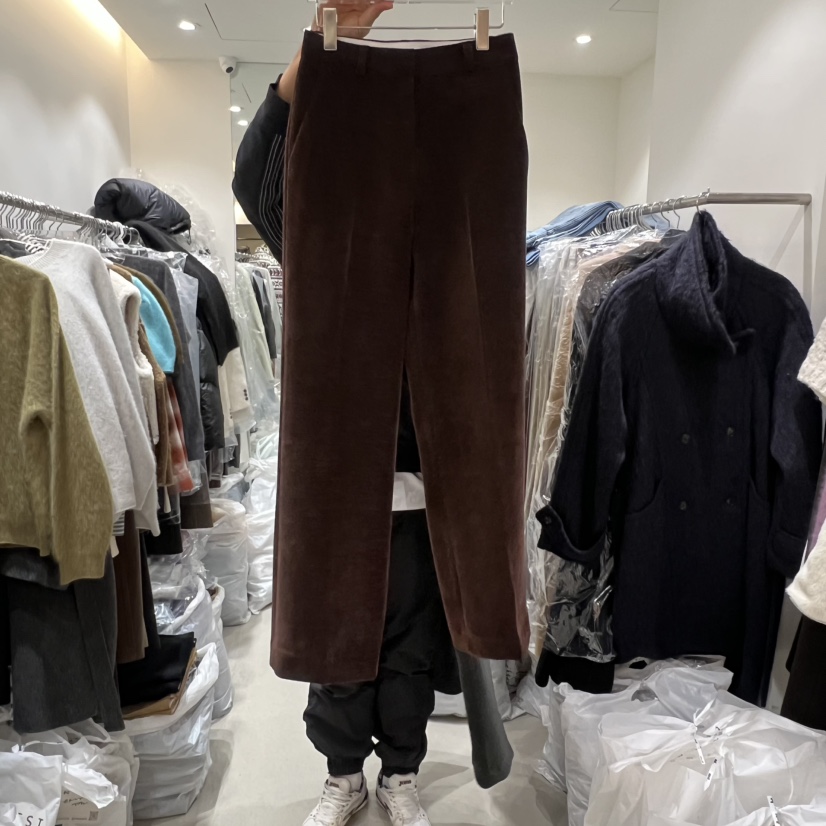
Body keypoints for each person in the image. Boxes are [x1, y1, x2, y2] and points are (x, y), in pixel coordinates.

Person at [233, 4, 462, 825]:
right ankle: (343, 776)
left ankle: (399, 774)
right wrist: (313, 59)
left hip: (421, 496)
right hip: (336, 491)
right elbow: (257, 181)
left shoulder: (453, 267)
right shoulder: (327, 251)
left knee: (407, 651)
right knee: (338, 645)